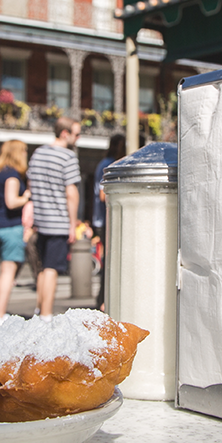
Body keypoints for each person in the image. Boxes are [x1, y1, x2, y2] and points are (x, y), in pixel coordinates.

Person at [29, 117, 82, 319]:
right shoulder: (68, 157)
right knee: (52, 269)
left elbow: (31, 184)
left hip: (41, 220)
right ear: (64, 133)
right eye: (76, 134)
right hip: (58, 221)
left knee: (43, 269)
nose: (78, 139)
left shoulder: (38, 153)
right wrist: (72, 224)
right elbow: (71, 193)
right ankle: (46, 315)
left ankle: (39, 310)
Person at [0, 140, 31, 325]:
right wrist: (26, 197)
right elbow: (11, 202)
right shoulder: (12, 175)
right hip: (9, 227)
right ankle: (0, 314)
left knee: (7, 270)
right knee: (9, 271)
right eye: (25, 151)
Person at [92, 133, 124, 312]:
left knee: (109, 259)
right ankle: (103, 299)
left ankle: (103, 298)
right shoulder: (108, 165)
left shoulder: (104, 164)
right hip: (107, 218)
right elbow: (103, 195)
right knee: (111, 259)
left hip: (103, 218)